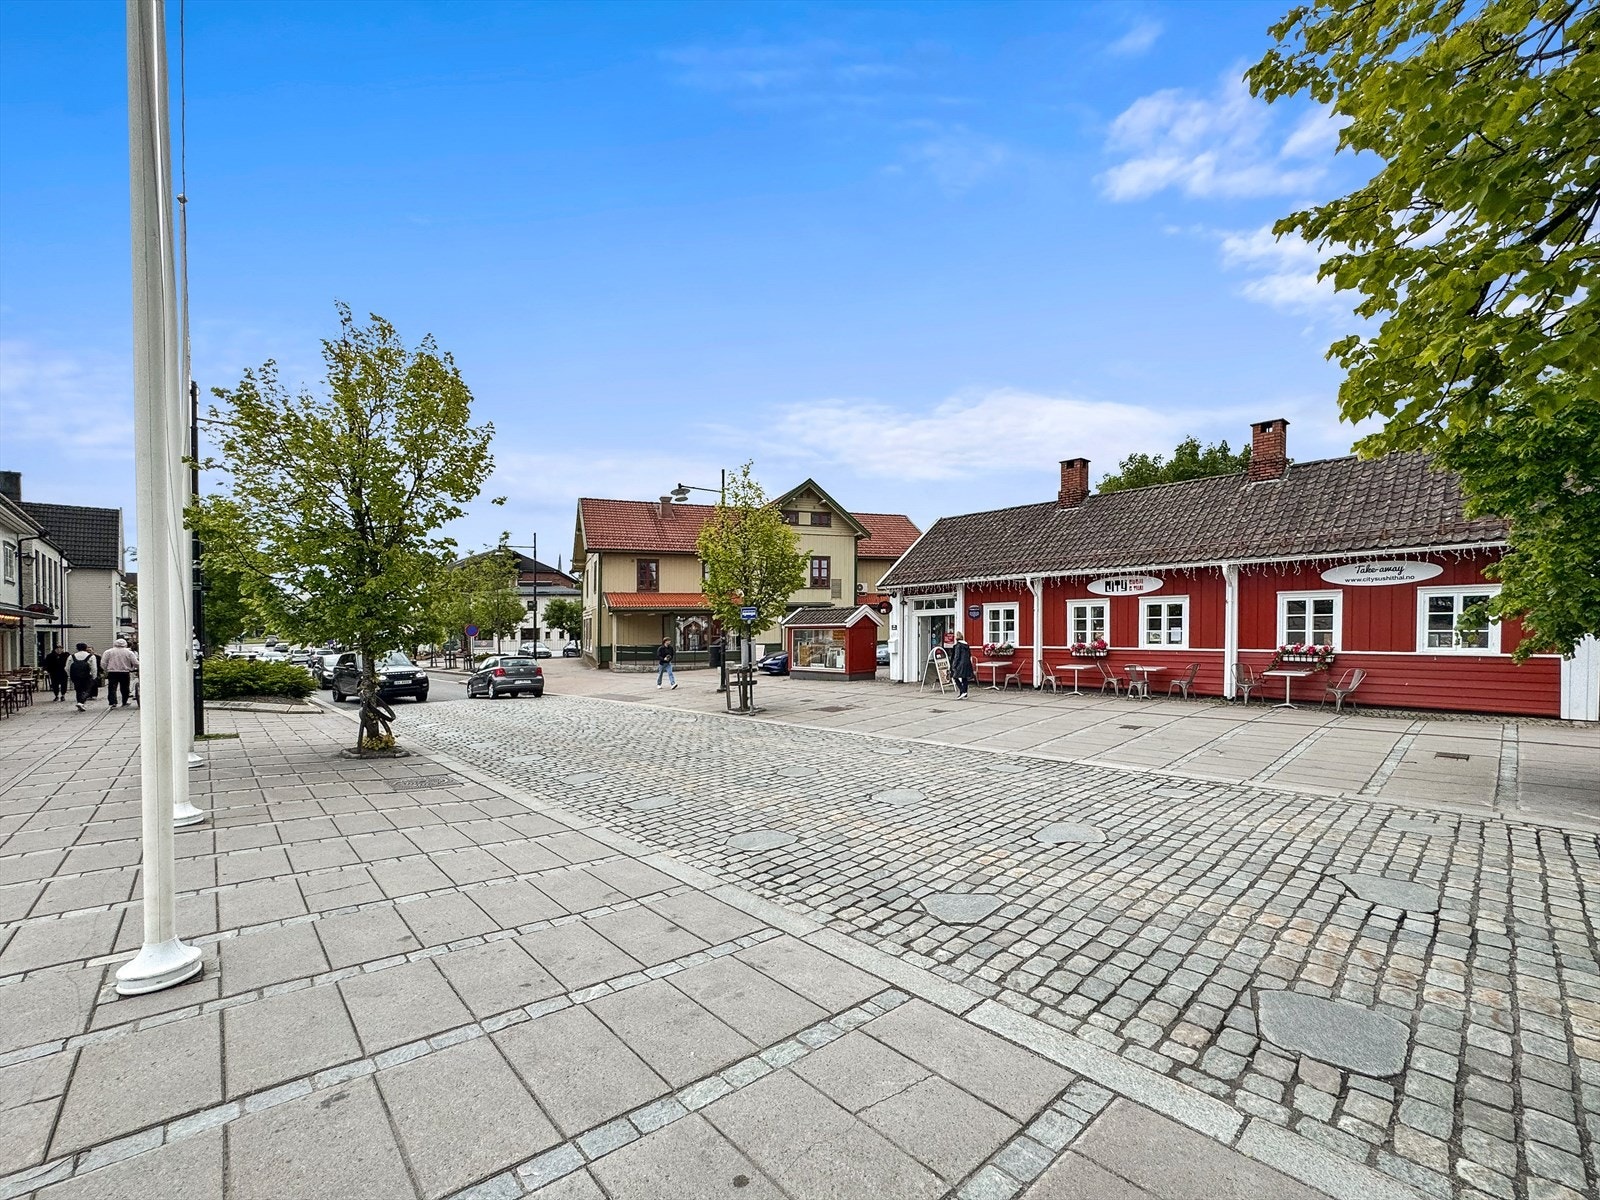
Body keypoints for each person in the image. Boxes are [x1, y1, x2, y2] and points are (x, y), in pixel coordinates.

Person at [101, 638, 139, 708]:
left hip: (112, 672)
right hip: (124, 672)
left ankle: (113, 702)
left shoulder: (108, 652)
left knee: (112, 688)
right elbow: (135, 662)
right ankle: (124, 701)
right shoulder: (129, 652)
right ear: (125, 644)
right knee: (125, 687)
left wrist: (106, 669)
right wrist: (134, 668)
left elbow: (103, 663)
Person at [66, 643, 99, 712]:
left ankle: (79, 703)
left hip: (76, 676)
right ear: (86, 648)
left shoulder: (72, 656)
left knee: (78, 690)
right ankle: (81, 702)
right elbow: (94, 668)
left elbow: (67, 667)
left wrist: (70, 675)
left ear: (77, 648)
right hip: (87, 676)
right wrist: (94, 676)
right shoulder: (91, 656)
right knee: (87, 690)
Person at [949, 631, 976, 700]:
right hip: (967, 663)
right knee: (964, 678)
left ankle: (962, 691)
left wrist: (954, 665)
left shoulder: (958, 645)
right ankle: (965, 693)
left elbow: (957, 656)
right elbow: (969, 655)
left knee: (955, 677)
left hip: (960, 664)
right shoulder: (966, 645)